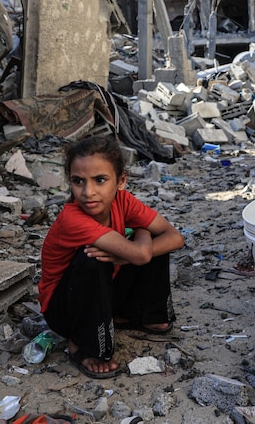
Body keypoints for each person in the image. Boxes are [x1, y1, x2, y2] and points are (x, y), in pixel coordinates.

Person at [39, 135, 185, 378]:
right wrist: (142, 233)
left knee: (150, 246)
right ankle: (83, 345)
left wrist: (131, 249)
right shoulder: (72, 219)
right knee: (94, 257)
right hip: (64, 309)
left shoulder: (123, 201)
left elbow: (175, 238)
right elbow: (140, 253)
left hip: (102, 290)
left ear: (121, 181)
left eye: (100, 180)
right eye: (78, 181)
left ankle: (142, 315)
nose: (88, 192)